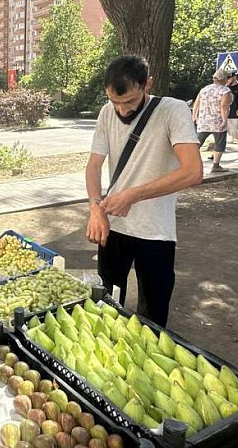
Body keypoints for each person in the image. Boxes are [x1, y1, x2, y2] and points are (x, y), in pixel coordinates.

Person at [86, 55, 203, 327]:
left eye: (129, 101)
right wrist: (95, 208)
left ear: (147, 84)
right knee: (106, 307)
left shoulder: (172, 111)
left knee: (153, 313)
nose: (122, 110)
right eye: (115, 101)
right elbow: (93, 166)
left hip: (155, 231)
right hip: (112, 226)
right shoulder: (107, 112)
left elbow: (193, 171)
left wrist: (132, 195)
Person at [193, 70, 232, 173]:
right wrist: (224, 120)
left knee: (197, 143)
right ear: (224, 79)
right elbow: (224, 106)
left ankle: (191, 163)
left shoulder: (204, 89)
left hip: (203, 121)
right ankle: (216, 165)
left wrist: (194, 116)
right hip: (217, 121)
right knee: (219, 143)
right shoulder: (225, 91)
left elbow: (196, 103)